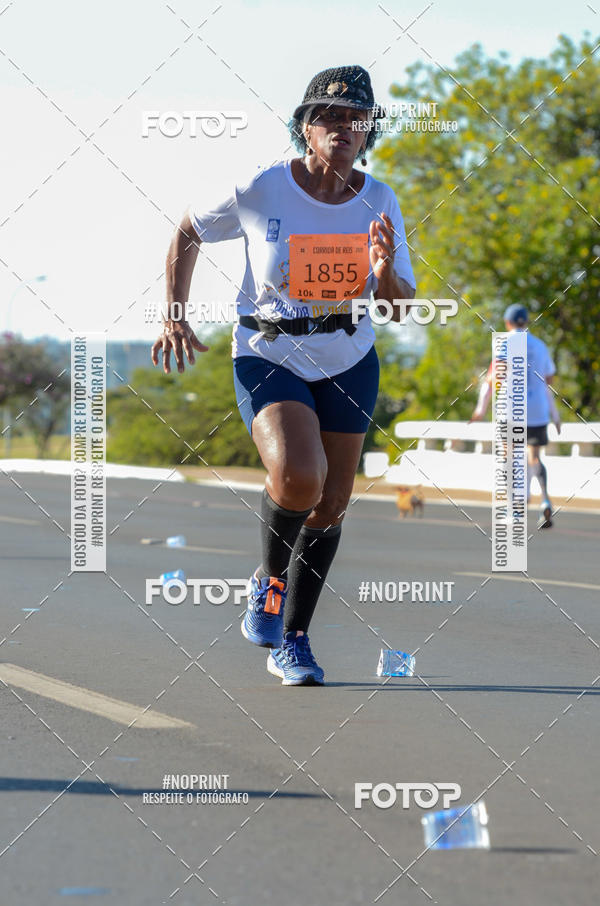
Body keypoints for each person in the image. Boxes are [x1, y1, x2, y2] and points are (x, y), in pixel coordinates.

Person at [152, 65, 416, 685]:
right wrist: (174, 315)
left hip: (349, 357)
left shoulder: (379, 200)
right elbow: (187, 230)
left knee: (330, 504)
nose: (343, 127)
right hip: (269, 352)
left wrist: (381, 271)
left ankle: (294, 640)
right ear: (305, 128)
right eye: (328, 116)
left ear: (368, 131)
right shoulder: (263, 187)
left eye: (357, 118)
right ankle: (268, 585)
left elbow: (400, 304)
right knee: (299, 477)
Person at [471, 303, 561, 529]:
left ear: (507, 323)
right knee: (535, 458)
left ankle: (516, 511)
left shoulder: (504, 343)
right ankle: (545, 501)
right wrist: (555, 414)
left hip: (511, 411)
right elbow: (548, 381)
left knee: (508, 458)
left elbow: (494, 378)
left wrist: (481, 409)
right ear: (527, 322)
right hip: (538, 411)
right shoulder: (540, 345)